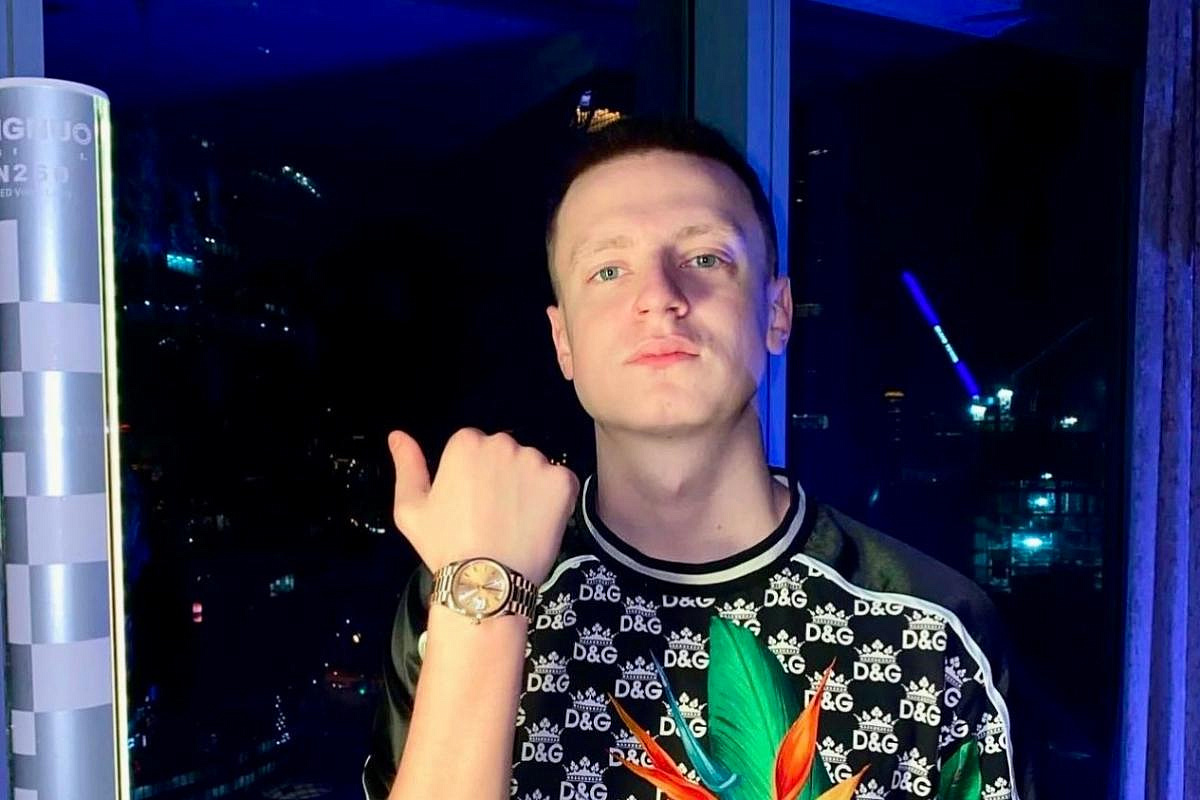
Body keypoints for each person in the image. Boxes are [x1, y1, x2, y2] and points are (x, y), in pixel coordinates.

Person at [362, 116, 1036, 800]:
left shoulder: (929, 628)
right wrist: (487, 598)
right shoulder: (466, 588)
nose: (659, 296)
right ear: (563, 340)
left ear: (778, 312)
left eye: (706, 258)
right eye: (607, 270)